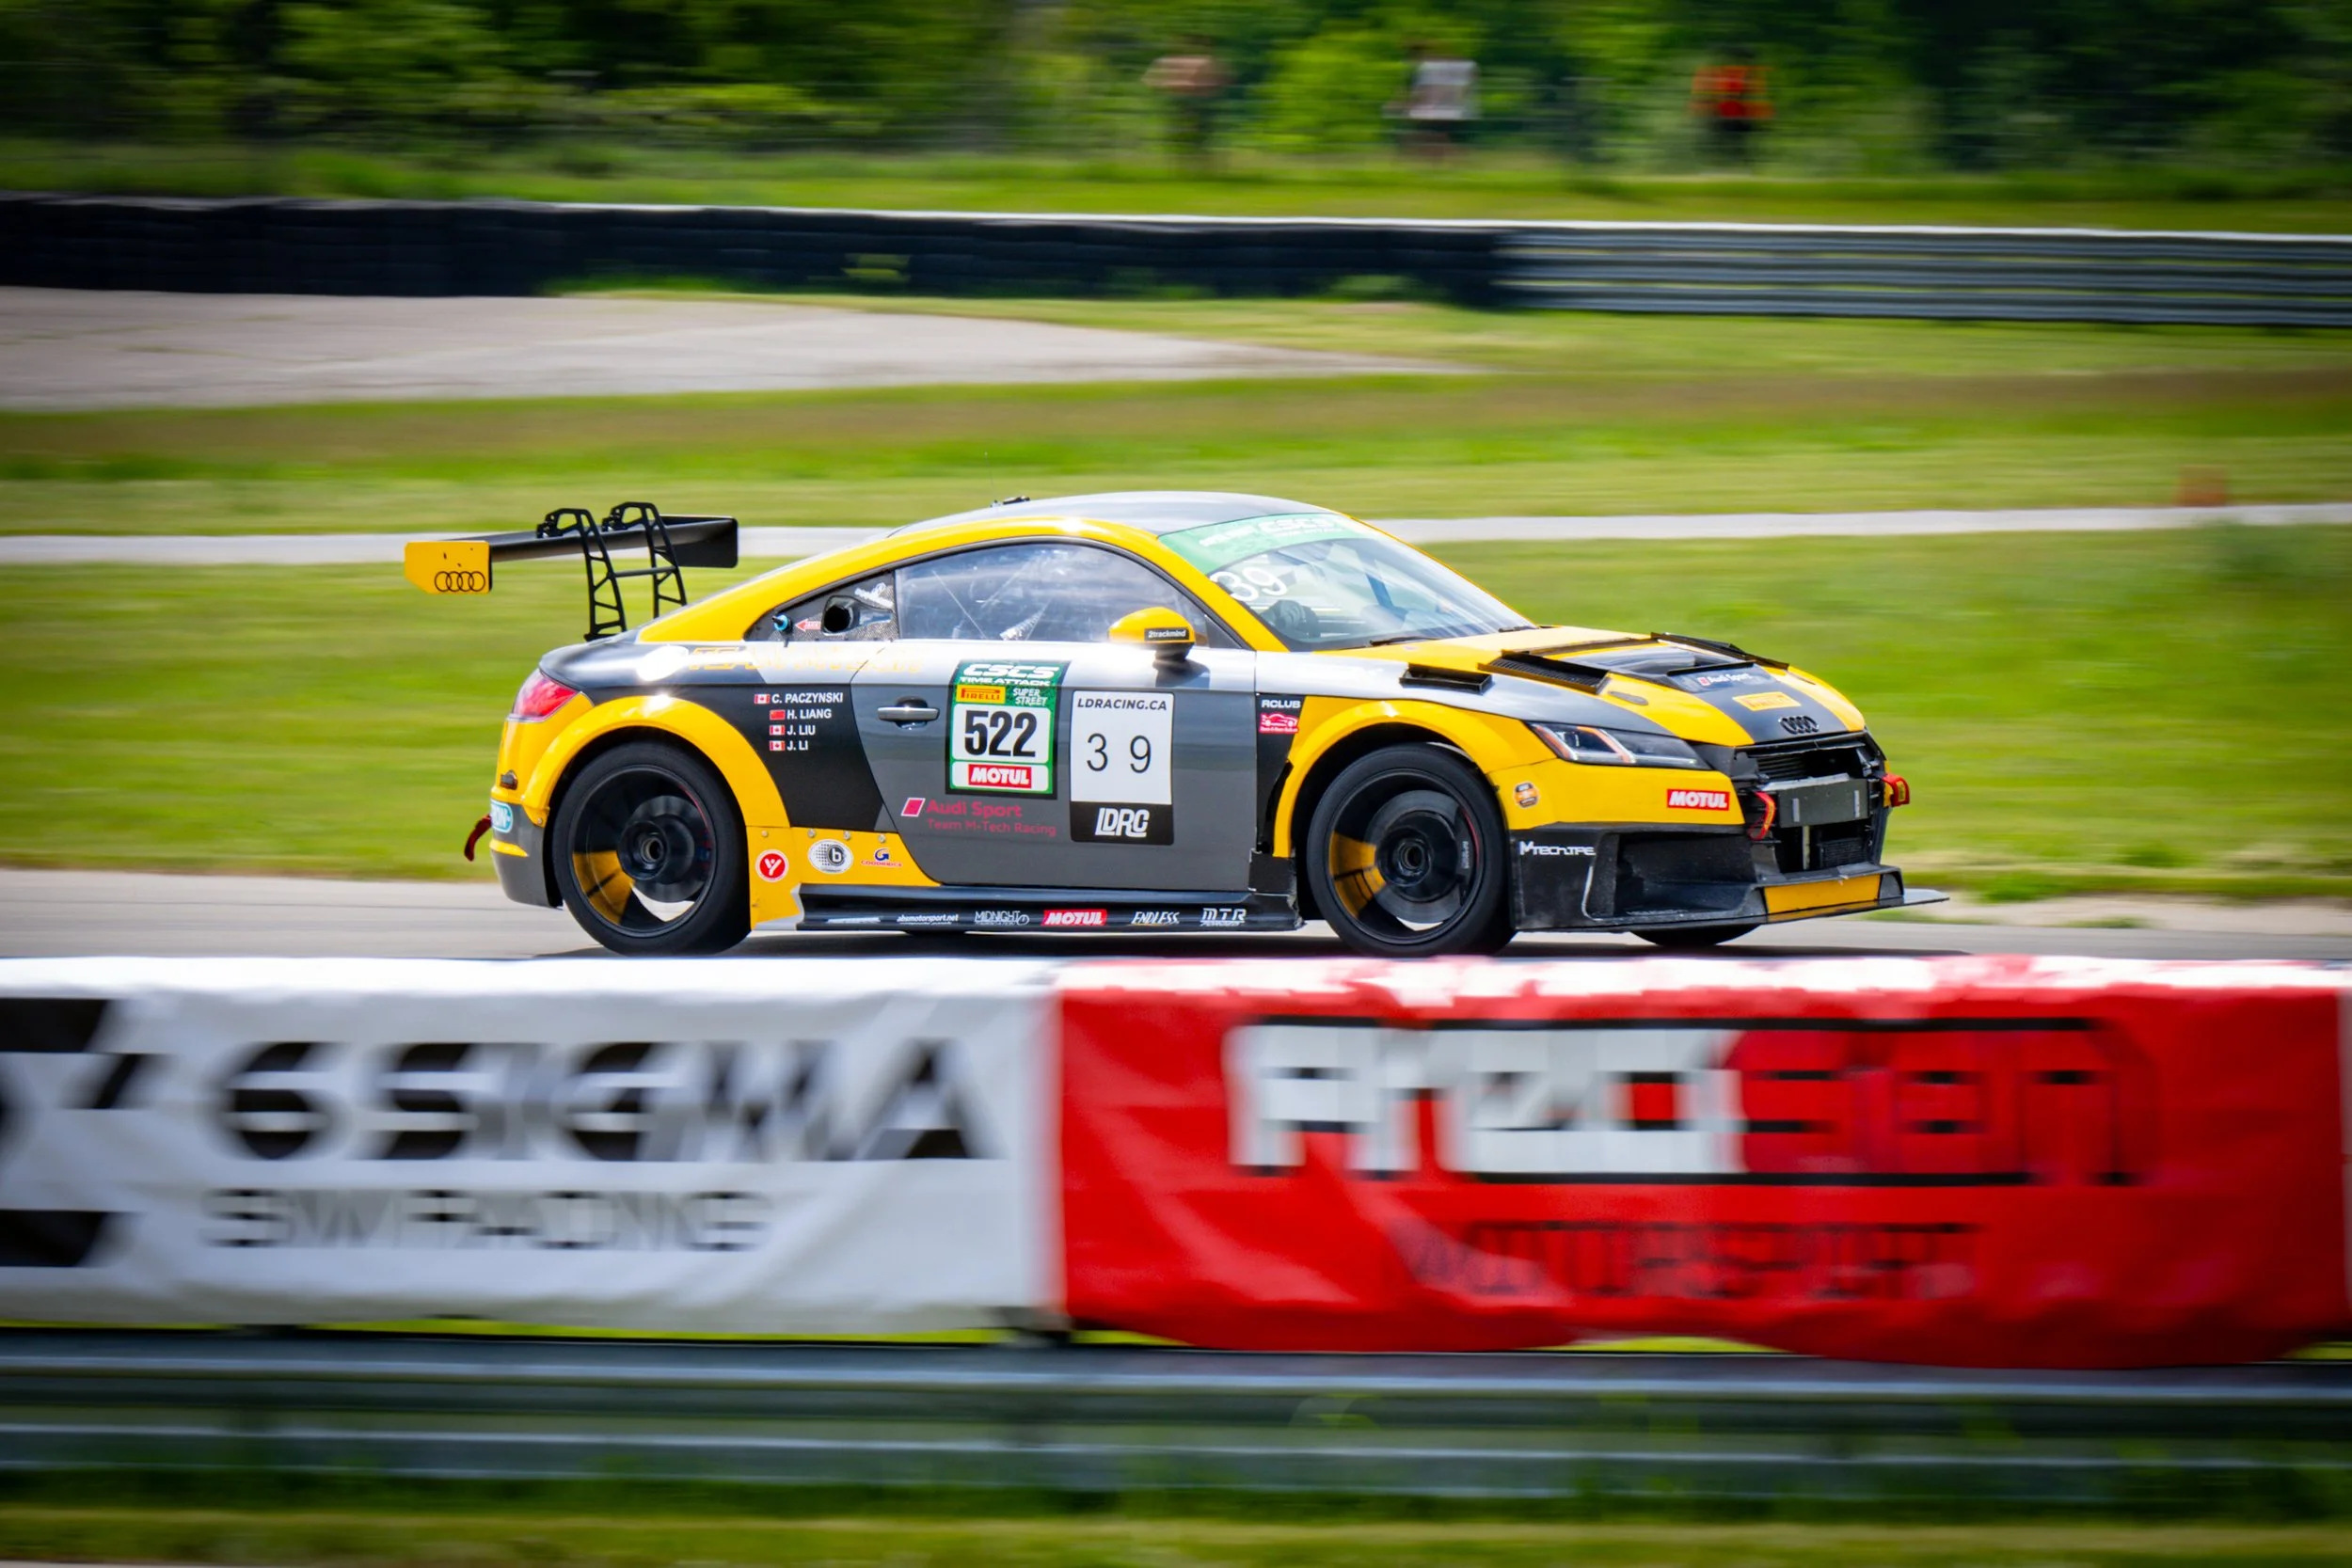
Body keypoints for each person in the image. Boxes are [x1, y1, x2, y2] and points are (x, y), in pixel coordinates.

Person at [1144, 44, 1230, 166]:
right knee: (1187, 134)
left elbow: (1222, 80)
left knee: (1196, 134)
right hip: (1184, 103)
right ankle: (1192, 159)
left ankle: (1194, 159)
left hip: (1197, 104)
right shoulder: (1204, 61)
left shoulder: (1204, 61)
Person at [1692, 48, 1771, 165]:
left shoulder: (1745, 74)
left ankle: (1732, 161)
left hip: (1732, 115)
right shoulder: (1743, 73)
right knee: (1730, 141)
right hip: (1726, 114)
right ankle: (1731, 161)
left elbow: (1751, 95)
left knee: (1731, 141)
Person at [1401, 44, 1478, 160]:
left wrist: (1411, 104)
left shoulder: (1428, 67)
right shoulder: (1430, 67)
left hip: (1439, 110)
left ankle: (1451, 158)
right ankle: (1447, 158)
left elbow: (1424, 91)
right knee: (1435, 136)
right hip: (1442, 109)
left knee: (1432, 136)